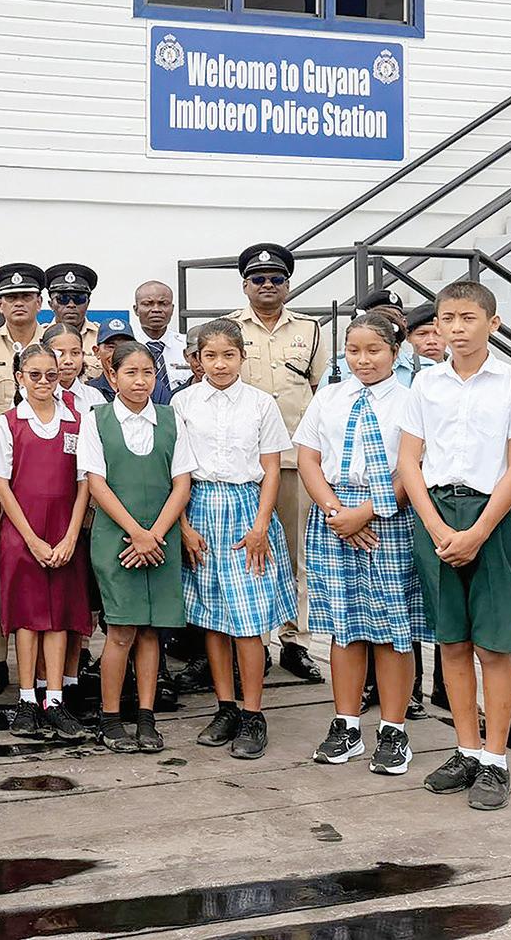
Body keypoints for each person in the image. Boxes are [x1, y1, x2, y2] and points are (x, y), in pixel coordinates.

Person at [396, 280, 511, 812]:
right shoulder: (426, 384)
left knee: (493, 644)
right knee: (452, 641)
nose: (456, 329)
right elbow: (409, 461)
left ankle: (496, 759)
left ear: (493, 324)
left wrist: (478, 532)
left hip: (490, 517)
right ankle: (466, 749)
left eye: (468, 318)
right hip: (436, 515)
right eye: (447, 319)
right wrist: (436, 527)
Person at [295, 312, 427, 777]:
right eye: (354, 351)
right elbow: (308, 458)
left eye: (374, 350)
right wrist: (337, 514)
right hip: (333, 515)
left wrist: (366, 513)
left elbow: (413, 467)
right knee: (344, 624)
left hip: (388, 513)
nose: (363, 360)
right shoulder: (329, 397)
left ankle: (393, 730)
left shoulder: (411, 401)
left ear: (396, 351)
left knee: (392, 628)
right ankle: (347, 725)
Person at [174, 318, 298, 762]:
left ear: (243, 356)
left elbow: (271, 469)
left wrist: (262, 524)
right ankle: (225, 705)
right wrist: (183, 525)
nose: (220, 364)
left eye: (229, 355)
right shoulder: (184, 403)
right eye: (210, 356)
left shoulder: (261, 403)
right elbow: (178, 469)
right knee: (213, 617)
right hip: (200, 506)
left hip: (247, 509)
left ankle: (252, 712)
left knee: (248, 619)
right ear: (198, 359)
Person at [79, 340, 191, 755]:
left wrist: (155, 534)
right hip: (117, 539)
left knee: (150, 631)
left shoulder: (171, 419)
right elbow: (96, 483)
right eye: (130, 372)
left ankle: (146, 717)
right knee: (122, 630)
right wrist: (137, 534)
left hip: (161, 538)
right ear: (112, 377)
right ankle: (110, 718)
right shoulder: (97, 420)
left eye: (147, 373)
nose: (140, 381)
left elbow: (182, 482)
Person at [227, 243, 327, 684]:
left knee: (295, 552)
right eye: (258, 279)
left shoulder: (311, 329)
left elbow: (317, 390)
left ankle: (294, 641)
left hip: (293, 458)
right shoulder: (229, 328)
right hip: (244, 462)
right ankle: (256, 642)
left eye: (276, 279)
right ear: (245, 284)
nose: (267, 285)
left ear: (288, 284)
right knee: (249, 551)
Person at [0, 342, 90, 741]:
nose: (44, 381)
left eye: (51, 374)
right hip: (22, 534)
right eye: (35, 375)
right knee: (28, 619)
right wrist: (30, 539)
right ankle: (27, 698)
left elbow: (85, 484)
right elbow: (1, 485)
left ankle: (56, 698)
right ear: (20, 377)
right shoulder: (9, 423)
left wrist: (70, 537)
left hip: (64, 532)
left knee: (60, 616)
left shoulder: (77, 422)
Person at [0, 263, 47, 421]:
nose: (19, 303)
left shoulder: (53, 344)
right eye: (11, 298)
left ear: (39, 303)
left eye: (26, 297)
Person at [43, 264, 102, 380]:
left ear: (88, 303)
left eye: (78, 299)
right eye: (63, 299)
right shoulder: (39, 337)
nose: (71, 305)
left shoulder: (102, 338)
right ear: (51, 304)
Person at [131, 281, 187, 403]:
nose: (156, 309)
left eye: (163, 304)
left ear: (172, 309)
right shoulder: (126, 346)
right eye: (148, 304)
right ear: (136, 309)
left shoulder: (187, 346)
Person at [44, 322, 103, 414]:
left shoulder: (94, 397)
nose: (68, 361)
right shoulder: (33, 396)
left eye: (75, 353)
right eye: (60, 353)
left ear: (82, 355)